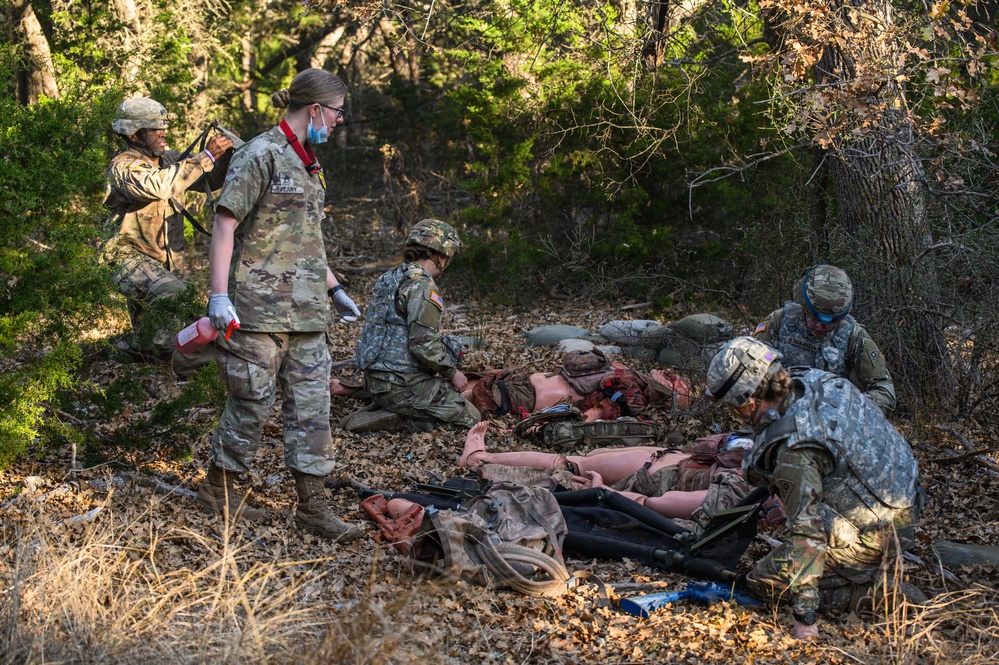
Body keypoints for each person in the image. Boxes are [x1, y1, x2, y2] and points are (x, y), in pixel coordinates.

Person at [193, 68, 364, 543]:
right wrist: (219, 294)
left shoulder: (309, 160)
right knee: (251, 404)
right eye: (336, 113)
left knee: (312, 410)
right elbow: (225, 224)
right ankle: (218, 492)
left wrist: (333, 288)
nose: (339, 121)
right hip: (256, 310)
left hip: (308, 313)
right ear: (315, 110)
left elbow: (304, 238)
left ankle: (313, 509)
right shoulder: (260, 153)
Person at [705, 336, 920, 640]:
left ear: (748, 403)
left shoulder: (795, 449)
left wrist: (805, 618)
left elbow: (808, 534)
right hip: (903, 502)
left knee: (763, 581)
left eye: (733, 408)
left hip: (878, 533)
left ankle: (873, 592)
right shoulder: (815, 380)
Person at [101, 96, 236, 377]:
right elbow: (160, 186)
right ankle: (109, 355)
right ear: (134, 134)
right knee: (172, 296)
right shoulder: (124, 166)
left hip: (164, 264)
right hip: (127, 258)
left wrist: (226, 155)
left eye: (164, 126)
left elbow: (209, 180)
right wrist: (206, 156)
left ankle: (131, 358)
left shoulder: (171, 160)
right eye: (155, 128)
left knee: (178, 324)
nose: (163, 133)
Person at [457, 422, 753, 524]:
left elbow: (656, 506)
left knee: (569, 467)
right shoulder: (763, 471)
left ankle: (479, 458)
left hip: (650, 477)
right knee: (583, 460)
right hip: (671, 461)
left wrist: (608, 492)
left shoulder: (739, 494)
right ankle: (481, 458)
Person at [352, 219, 480, 430]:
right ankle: (395, 421)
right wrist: (452, 373)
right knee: (470, 418)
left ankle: (391, 408)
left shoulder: (390, 277)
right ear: (441, 256)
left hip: (375, 381)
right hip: (399, 385)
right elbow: (423, 344)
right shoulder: (422, 286)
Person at [753, 264, 896, 413]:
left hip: (830, 422)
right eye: (815, 318)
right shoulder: (779, 322)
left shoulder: (852, 336)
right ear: (804, 306)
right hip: (777, 414)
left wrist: (849, 408)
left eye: (831, 323)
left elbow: (884, 390)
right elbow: (751, 369)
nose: (820, 327)